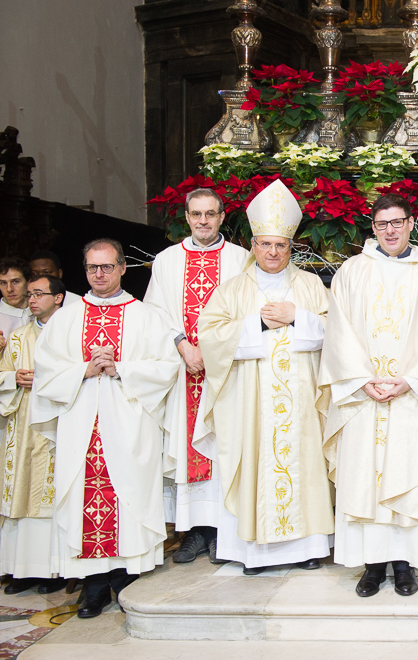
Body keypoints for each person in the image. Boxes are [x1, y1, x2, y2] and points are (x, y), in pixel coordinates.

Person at [318, 194, 418, 598]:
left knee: (407, 479)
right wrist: (361, 380)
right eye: (381, 224)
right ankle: (371, 567)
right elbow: (338, 333)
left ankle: (406, 566)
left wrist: (412, 380)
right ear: (372, 228)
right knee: (365, 481)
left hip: (412, 396)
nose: (390, 230)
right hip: (363, 397)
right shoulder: (351, 273)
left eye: (397, 222)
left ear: (411, 223)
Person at [32, 239, 178, 618]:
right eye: (93, 268)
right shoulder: (67, 316)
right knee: (84, 498)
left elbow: (166, 367)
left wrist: (121, 368)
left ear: (123, 268)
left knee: (128, 492)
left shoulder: (145, 316)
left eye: (107, 267)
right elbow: (45, 369)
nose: (100, 275)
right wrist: (84, 368)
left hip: (128, 423)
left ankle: (127, 578)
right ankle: (93, 586)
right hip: (82, 422)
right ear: (84, 271)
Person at [195, 180, 332, 575]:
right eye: (265, 244)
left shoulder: (309, 285)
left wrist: (298, 318)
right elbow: (211, 336)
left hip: (302, 399)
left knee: (303, 462)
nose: (273, 252)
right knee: (258, 464)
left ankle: (308, 547)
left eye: (281, 246)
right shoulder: (233, 289)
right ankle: (256, 553)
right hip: (250, 400)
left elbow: (335, 333)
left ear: (292, 247)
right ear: (254, 245)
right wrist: (255, 322)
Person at [143, 188, 248, 565]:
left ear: (222, 217)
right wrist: (183, 346)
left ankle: (223, 529)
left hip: (226, 372)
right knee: (190, 450)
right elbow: (153, 313)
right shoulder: (168, 260)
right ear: (186, 217)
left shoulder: (241, 259)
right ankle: (196, 532)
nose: (203, 220)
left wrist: (216, 350)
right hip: (184, 368)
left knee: (225, 447)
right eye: (196, 214)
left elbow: (248, 311)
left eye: (210, 214)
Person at [0, 275, 67, 594]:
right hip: (22, 426)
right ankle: (21, 571)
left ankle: (54, 571)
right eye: (29, 294)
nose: (31, 299)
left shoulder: (70, 332)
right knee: (20, 495)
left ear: (58, 298)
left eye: (38, 294)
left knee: (51, 498)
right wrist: (11, 377)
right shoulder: (17, 338)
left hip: (57, 425)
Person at [0, 257, 33, 591]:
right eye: (3, 283)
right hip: (2, 416)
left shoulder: (39, 312)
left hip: (33, 413)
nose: (10, 289)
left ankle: (27, 560)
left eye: (16, 281)